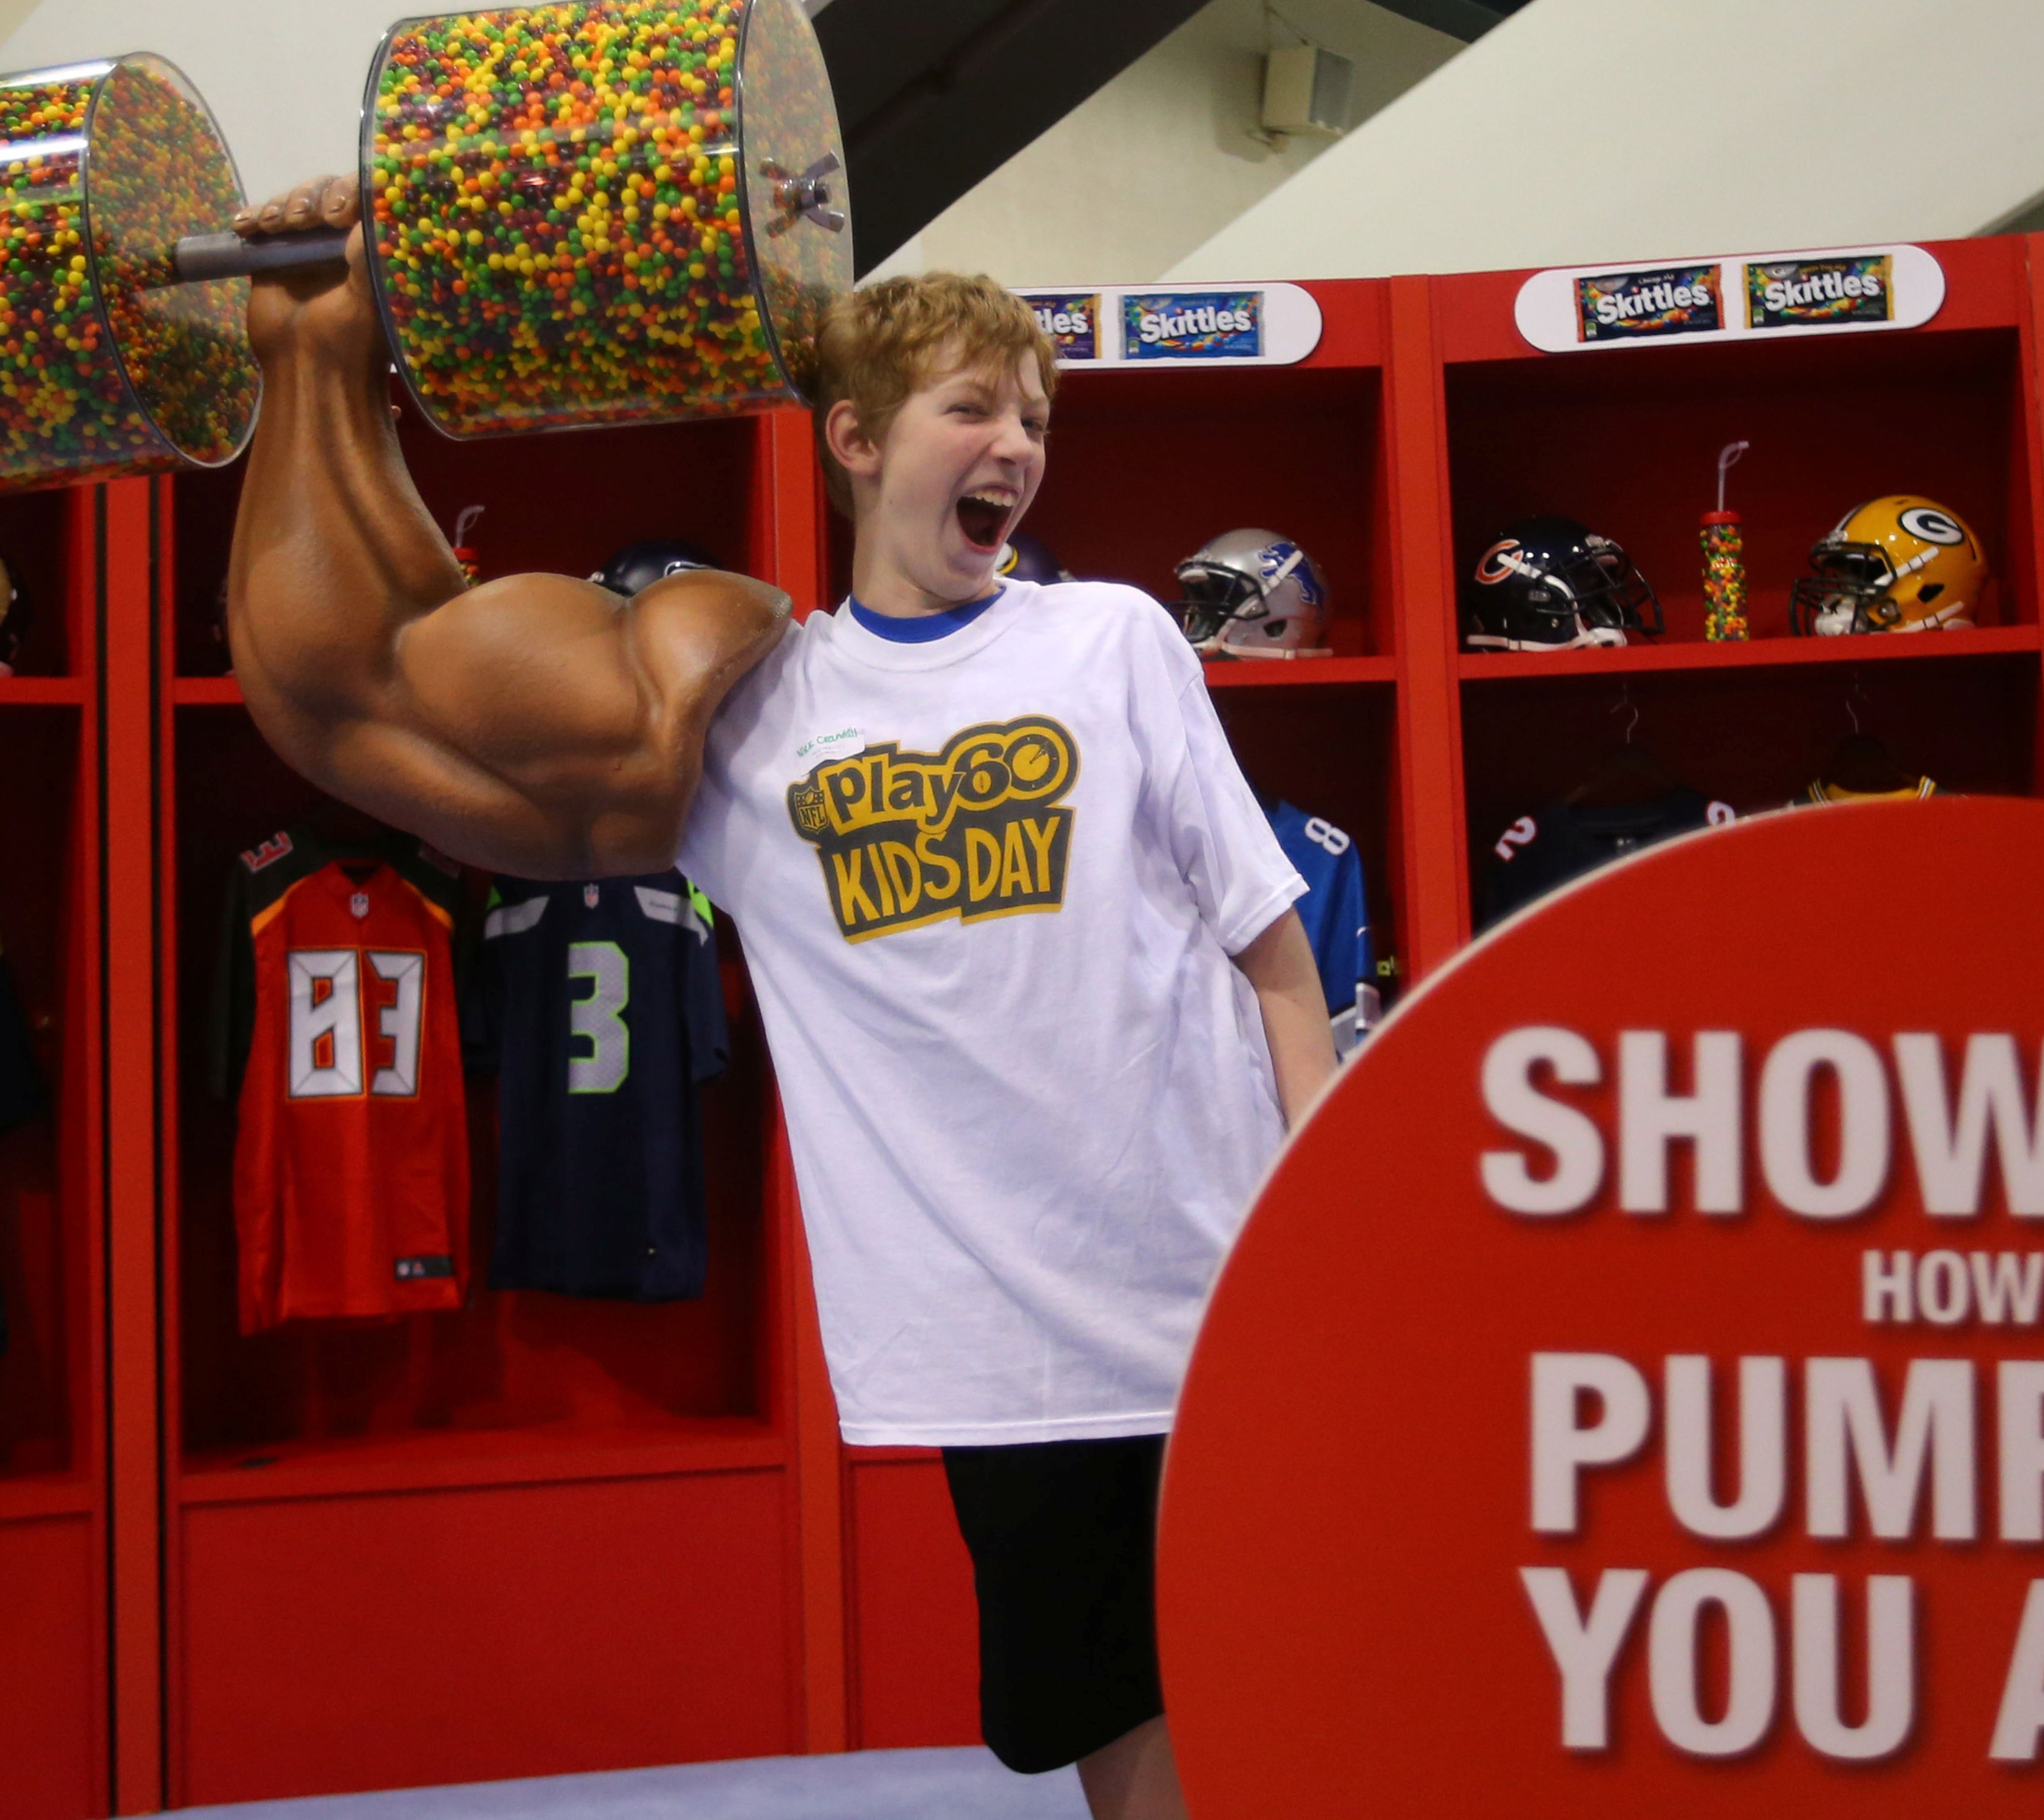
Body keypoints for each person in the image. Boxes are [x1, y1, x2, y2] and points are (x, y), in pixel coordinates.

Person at [226, 174, 1338, 1820]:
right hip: (1012, 1357)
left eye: (1034, 413)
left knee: (1312, 1701)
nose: (1017, 443)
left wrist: (1334, 1194)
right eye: (974, 405)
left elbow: (1270, 943)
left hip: (1231, 1298)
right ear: (857, 438)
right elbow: (352, 694)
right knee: (1128, 1737)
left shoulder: (1110, 641)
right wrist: (322, 350)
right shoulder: (753, 716)